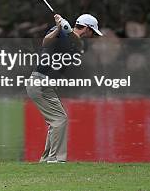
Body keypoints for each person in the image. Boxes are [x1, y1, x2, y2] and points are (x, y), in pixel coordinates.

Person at [26, 13, 102, 163]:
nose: (93, 37)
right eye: (93, 32)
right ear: (87, 29)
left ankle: (47, 158)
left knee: (57, 120)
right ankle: (55, 159)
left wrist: (66, 29)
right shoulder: (58, 31)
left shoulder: (81, 44)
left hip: (46, 85)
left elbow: (76, 42)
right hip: (39, 82)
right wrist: (59, 28)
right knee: (59, 119)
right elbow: (45, 43)